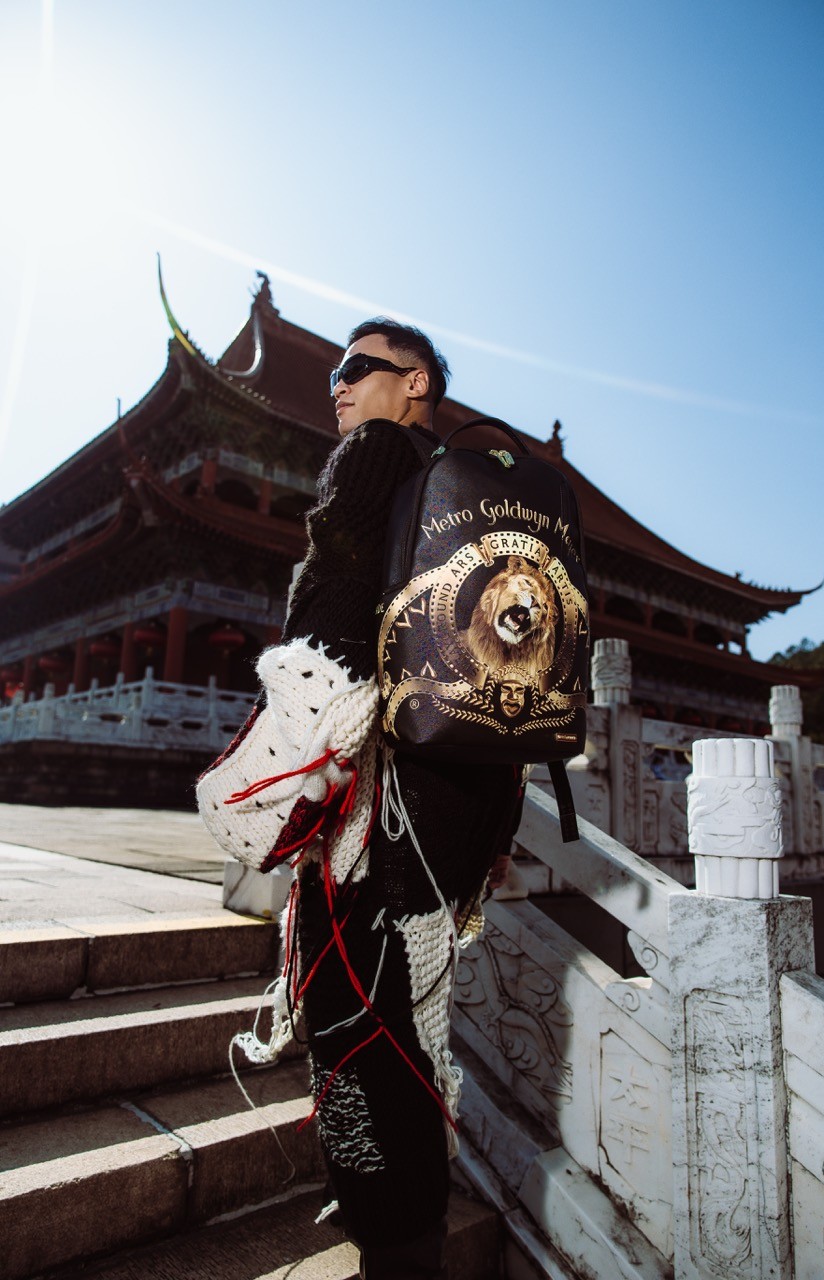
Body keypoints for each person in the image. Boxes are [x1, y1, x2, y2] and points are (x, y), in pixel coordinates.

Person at [278, 319, 523, 1279]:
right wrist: (496, 827)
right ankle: (400, 1217)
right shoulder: (481, 495)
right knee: (405, 1020)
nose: (336, 387)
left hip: (377, 801)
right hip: (460, 802)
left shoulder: (379, 452)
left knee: (350, 1017)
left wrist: (294, 760)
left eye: (356, 368)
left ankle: (392, 1240)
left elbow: (330, 602)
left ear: (414, 381)